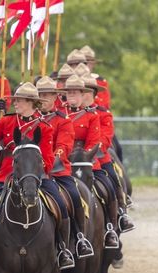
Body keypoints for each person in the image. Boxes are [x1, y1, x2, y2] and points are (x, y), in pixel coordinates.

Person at [0, 82, 75, 273]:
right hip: (5, 176)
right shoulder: (7, 121)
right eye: (16, 100)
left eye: (19, 100)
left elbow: (47, 159)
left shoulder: (44, 127)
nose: (15, 104)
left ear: (31, 102)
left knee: (61, 207)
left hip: (35, 177)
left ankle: (63, 249)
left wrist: (31, 174)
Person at [36, 76, 94, 258]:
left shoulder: (63, 120)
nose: (44, 99)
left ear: (55, 97)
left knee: (74, 197)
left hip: (56, 170)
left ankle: (77, 238)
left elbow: (63, 147)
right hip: (28, 172)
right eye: (40, 95)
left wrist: (46, 163)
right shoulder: (28, 119)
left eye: (48, 95)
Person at [61, 74, 120, 249]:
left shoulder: (95, 115)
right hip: (63, 160)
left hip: (88, 160)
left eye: (76, 92)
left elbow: (97, 141)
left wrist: (84, 156)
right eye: (69, 92)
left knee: (109, 186)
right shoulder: (59, 114)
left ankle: (111, 225)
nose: (73, 96)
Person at [80, 74, 135, 233]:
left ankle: (118, 217)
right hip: (74, 161)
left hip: (98, 158)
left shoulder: (103, 114)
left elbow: (105, 138)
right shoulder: (70, 114)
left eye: (87, 92)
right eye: (81, 91)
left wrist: (90, 152)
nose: (83, 95)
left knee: (112, 182)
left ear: (93, 94)